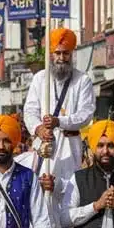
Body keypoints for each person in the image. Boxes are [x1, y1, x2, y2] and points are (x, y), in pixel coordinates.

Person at [23, 28, 96, 180]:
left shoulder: (83, 80)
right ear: (51, 55)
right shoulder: (40, 78)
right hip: (44, 145)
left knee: (69, 193)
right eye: (57, 53)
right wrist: (39, 128)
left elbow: (85, 115)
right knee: (43, 190)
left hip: (70, 147)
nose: (62, 58)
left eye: (66, 53)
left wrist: (59, 122)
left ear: (71, 54)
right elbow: (30, 111)